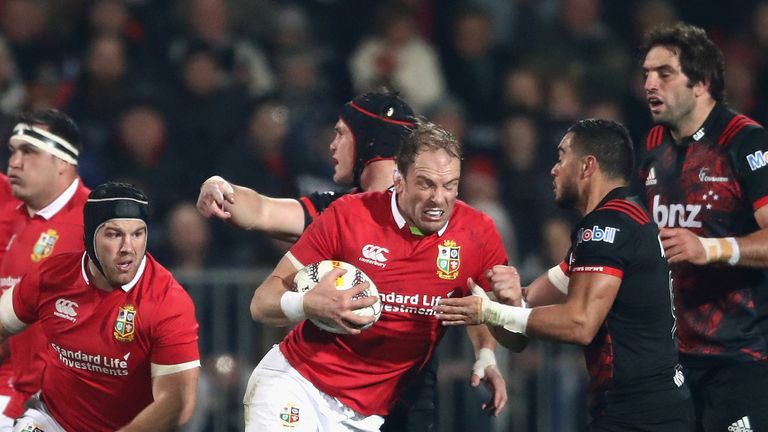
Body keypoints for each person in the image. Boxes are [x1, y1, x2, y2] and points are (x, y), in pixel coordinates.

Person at [198, 92, 507, 431]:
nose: (332, 145)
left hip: (399, 397)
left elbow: (475, 297)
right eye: (427, 183)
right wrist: (221, 188)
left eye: (341, 133)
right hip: (306, 386)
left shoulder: (472, 231)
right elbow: (261, 213)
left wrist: (487, 351)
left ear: (369, 141)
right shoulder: (340, 213)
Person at [436, 119, 695, 431]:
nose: (553, 169)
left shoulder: (604, 229)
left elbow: (580, 323)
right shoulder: (625, 220)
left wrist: (490, 310)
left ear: (587, 166)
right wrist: (508, 297)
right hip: (649, 407)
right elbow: (525, 310)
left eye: (561, 158)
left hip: (639, 414)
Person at [638, 22, 768, 431]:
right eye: (646, 73)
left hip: (741, 359)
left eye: (664, 73)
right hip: (672, 361)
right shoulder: (653, 145)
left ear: (702, 82)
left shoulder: (745, 142)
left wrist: (710, 249)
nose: (649, 84)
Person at [0, 181, 200, 431]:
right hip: (52, 421)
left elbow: (178, 403)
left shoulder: (168, 301)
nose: (128, 248)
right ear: (89, 236)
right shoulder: (51, 276)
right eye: (114, 234)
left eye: (138, 234)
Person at [0, 109, 91, 428]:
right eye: (13, 151)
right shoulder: (22, 221)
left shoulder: (95, 225)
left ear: (63, 162)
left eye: (29, 152)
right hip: (20, 399)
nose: (15, 162)